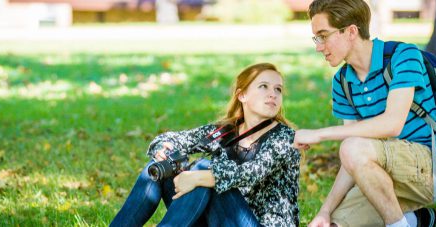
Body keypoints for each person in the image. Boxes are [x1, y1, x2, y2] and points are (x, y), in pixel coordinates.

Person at [294, 0, 436, 227]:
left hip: (427, 168)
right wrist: (325, 211)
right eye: (317, 38)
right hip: (378, 175)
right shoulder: (342, 82)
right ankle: (417, 221)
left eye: (323, 36)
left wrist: (319, 134)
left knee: (352, 145)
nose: (318, 47)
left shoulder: (403, 56)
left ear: (351, 31)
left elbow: (393, 124)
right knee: (331, 225)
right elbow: (352, 159)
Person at [111, 63, 300, 226]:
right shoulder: (225, 131)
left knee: (204, 167)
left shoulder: (285, 137)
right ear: (242, 96)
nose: (273, 94)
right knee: (158, 168)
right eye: (264, 87)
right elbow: (178, 138)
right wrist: (162, 147)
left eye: (278, 89)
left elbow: (251, 173)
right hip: (218, 220)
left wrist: (198, 177)